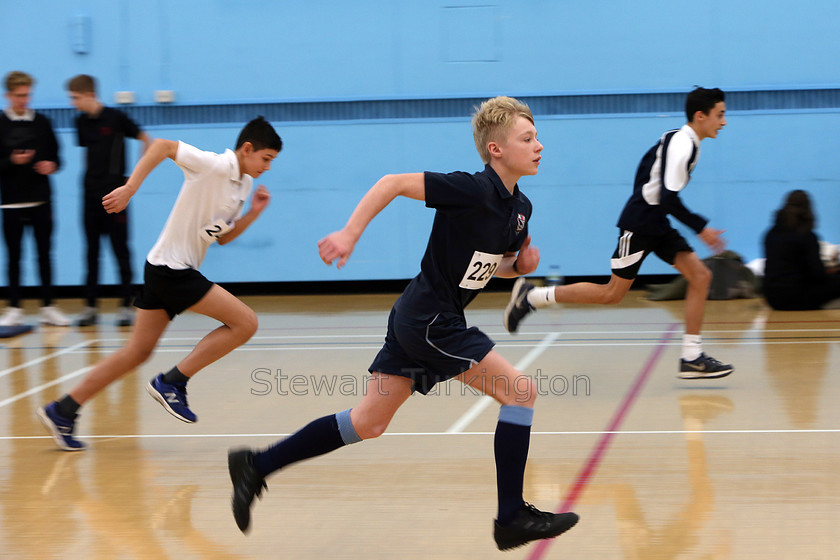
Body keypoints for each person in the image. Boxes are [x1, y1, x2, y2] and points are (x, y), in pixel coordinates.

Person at [227, 96, 579, 551]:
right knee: (520, 392)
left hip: (420, 316)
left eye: (537, 137)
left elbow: (492, 265)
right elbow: (391, 183)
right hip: (431, 319)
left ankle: (256, 465)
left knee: (366, 423)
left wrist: (519, 265)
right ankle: (510, 516)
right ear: (496, 149)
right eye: (527, 138)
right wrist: (349, 233)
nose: (539, 146)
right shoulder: (470, 189)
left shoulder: (520, 209)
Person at [37, 116, 282, 451]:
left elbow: (221, 238)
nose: (268, 167)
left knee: (136, 353)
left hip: (165, 268)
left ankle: (62, 410)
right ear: (247, 148)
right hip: (173, 270)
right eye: (266, 159)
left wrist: (253, 213)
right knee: (245, 322)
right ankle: (172, 382)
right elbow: (164, 146)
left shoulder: (243, 185)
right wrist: (129, 188)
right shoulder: (212, 165)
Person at [504, 87, 734, 380]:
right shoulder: (681, 142)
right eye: (720, 115)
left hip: (656, 221)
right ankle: (533, 296)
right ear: (701, 116)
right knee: (612, 294)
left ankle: (691, 357)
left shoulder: (684, 141)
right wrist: (702, 228)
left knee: (701, 276)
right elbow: (666, 195)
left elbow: (649, 179)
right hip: (642, 224)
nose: (723, 122)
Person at [67, 74, 152, 327]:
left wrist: (132, 180)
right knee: (91, 253)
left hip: (115, 196)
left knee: (120, 251)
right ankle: (90, 307)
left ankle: (126, 306)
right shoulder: (80, 121)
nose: (73, 103)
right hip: (89, 196)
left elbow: (146, 140)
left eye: (76, 98)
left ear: (90, 94)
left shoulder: (116, 118)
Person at [0, 71, 70, 327]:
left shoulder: (42, 122)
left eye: (27, 95)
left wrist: (52, 166)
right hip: (11, 202)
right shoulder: (1, 124)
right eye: (19, 95)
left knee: (44, 255)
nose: (24, 99)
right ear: (8, 95)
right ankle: (14, 308)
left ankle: (49, 307)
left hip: (41, 200)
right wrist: (12, 161)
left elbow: (58, 158)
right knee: (14, 256)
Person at [762, 189, 840, 310]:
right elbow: (817, 275)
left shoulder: (770, 234)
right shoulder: (807, 236)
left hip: (773, 298)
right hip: (798, 296)